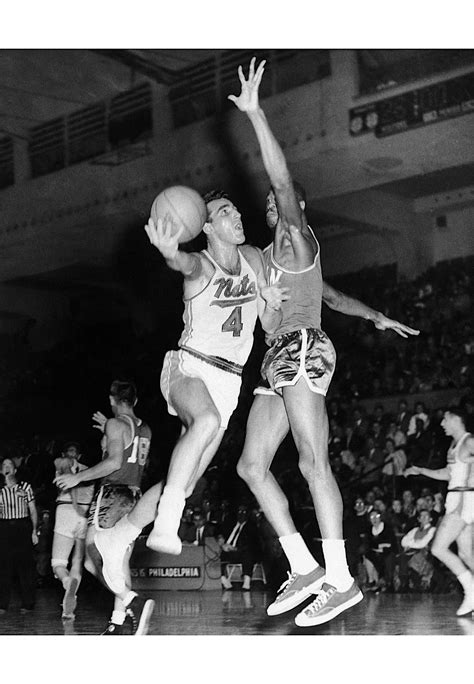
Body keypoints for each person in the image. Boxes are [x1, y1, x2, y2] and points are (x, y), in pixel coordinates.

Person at [229, 57, 420, 626]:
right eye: (265, 205)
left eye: (278, 203)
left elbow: (282, 181)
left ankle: (341, 580)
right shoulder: (270, 261)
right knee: (250, 466)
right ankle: (304, 567)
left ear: (297, 211)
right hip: (277, 358)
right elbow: (334, 297)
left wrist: (257, 114)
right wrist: (378, 316)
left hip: (303, 349)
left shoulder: (296, 238)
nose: (272, 207)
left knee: (314, 462)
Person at [83, 188, 287, 603]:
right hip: (189, 366)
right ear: (206, 226)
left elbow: (269, 321)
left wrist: (271, 304)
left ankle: (118, 536)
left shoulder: (252, 258)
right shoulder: (201, 266)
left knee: (189, 478)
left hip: (230, 382)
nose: (236, 215)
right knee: (206, 422)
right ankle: (166, 523)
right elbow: (181, 262)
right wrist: (167, 250)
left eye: (234, 208)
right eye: (224, 211)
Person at [55, 380, 156, 635]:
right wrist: (109, 433)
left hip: (112, 496)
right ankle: (118, 621)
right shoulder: (145, 429)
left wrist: (78, 477)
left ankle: (132, 599)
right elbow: (129, 452)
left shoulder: (115, 424)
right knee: (119, 561)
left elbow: (113, 462)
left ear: (112, 400)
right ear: (135, 400)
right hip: (134, 495)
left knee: (91, 560)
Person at [404, 406, 474, 616]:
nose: (442, 424)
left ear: (456, 419)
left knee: (438, 548)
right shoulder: (454, 446)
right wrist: (421, 470)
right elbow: (448, 473)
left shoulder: (469, 441)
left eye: (445, 419)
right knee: (465, 553)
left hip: (465, 499)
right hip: (455, 497)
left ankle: (471, 590)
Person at [51, 441, 95, 619]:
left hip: (66, 511)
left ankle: (67, 581)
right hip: (84, 516)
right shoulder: (90, 470)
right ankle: (68, 608)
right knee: (77, 560)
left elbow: (67, 474)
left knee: (58, 563)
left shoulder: (61, 464)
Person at [0, 458, 39, 614]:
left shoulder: (25, 487)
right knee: (3, 566)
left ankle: (28, 604)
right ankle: (2, 604)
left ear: (15, 470)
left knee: (26, 567)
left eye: (10, 465)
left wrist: (34, 530)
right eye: (4, 465)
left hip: (22, 526)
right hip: (3, 527)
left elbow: (33, 510)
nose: (7, 467)